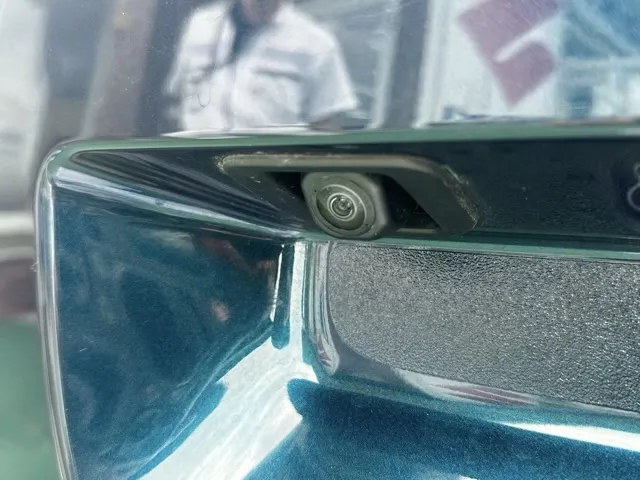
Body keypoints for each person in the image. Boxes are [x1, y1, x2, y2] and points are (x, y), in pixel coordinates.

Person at [165, 0, 358, 132]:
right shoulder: (199, 25)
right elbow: (175, 101)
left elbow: (325, 124)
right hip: (196, 167)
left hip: (270, 169)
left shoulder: (316, 43)